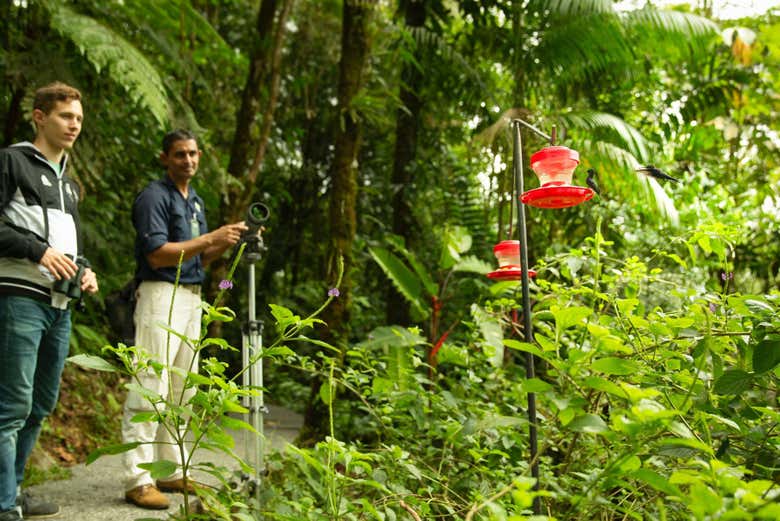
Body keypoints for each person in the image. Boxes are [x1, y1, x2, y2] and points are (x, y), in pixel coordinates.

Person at [121, 129, 247, 510]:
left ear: (200, 156)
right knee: (149, 384)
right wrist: (209, 238)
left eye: (192, 154)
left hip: (192, 297)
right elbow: (158, 254)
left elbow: (194, 258)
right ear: (165, 158)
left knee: (181, 388)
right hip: (160, 294)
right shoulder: (153, 197)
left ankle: (169, 469)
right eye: (179, 154)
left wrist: (218, 246)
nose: (187, 160)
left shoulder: (196, 202)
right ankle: (137, 478)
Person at [0, 82, 99, 521]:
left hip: (60, 305)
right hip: (19, 297)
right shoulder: (12, 161)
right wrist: (36, 249)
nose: (74, 124)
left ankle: (12, 491)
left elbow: (68, 243)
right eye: (65, 116)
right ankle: (3, 504)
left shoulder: (69, 183)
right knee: (12, 405)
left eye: (78, 117)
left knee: (40, 404)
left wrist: (85, 268)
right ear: (40, 117)